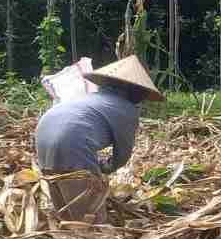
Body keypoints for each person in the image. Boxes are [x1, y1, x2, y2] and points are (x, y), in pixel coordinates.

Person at [33, 55, 164, 222]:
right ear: (135, 91)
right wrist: (106, 167)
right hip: (71, 142)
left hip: (43, 137)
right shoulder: (127, 109)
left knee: (66, 214)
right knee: (91, 220)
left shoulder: (89, 98)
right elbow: (122, 153)